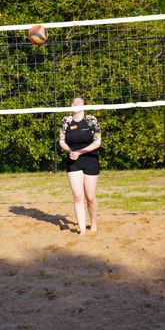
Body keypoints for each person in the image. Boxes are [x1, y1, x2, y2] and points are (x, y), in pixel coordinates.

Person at [58, 97, 101, 235]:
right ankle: (82, 229)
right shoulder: (66, 121)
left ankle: (93, 223)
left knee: (90, 197)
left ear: (84, 106)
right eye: (73, 102)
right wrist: (71, 151)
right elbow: (61, 141)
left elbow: (97, 142)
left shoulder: (91, 120)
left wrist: (80, 152)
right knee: (77, 196)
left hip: (90, 159)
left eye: (79, 102)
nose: (75, 103)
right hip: (73, 161)